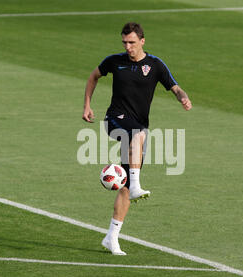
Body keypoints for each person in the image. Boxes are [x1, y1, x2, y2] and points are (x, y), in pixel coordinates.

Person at [82, 22, 192, 255]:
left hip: (137, 131)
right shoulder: (114, 61)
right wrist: (87, 106)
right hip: (115, 120)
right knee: (137, 135)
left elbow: (175, 87)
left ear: (142, 41)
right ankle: (136, 185)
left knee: (126, 183)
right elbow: (93, 77)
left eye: (132, 42)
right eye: (125, 42)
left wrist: (183, 97)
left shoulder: (155, 65)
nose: (128, 47)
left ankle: (111, 237)